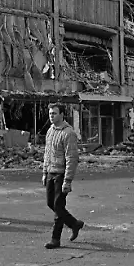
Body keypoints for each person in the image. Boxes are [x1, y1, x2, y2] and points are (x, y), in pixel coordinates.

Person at [42, 103, 84, 249]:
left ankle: (55, 238)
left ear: (61, 115)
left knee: (58, 206)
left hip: (61, 175)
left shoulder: (68, 133)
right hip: (50, 172)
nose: (51, 116)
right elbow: (47, 153)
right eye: (50, 113)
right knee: (50, 203)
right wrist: (44, 172)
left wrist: (68, 180)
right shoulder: (50, 131)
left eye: (54, 113)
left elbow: (72, 158)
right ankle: (74, 223)